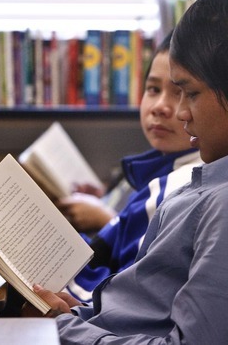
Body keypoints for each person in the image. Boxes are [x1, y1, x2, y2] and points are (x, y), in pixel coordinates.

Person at [22, 0, 228, 343]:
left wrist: (61, 328)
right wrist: (75, 317)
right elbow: (144, 312)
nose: (180, 113)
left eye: (189, 93)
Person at [62, 32, 203, 302]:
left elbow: (120, 302)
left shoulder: (175, 186)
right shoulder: (157, 167)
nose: (160, 106)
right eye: (153, 89)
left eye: (180, 93)